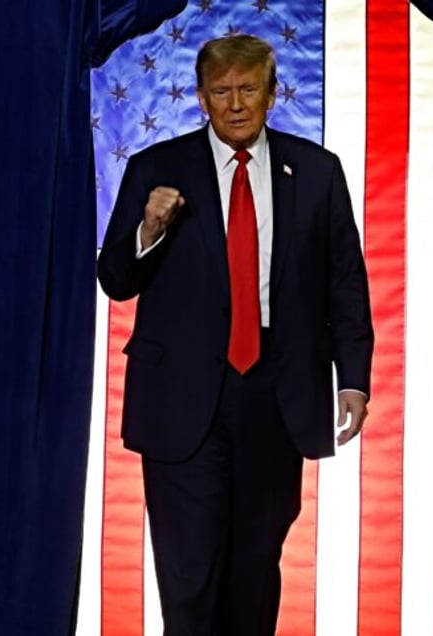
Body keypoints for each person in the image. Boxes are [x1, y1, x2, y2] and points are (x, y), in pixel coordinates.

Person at [97, 34, 373, 635]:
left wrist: (352, 380)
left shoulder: (318, 172)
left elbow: (345, 282)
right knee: (189, 571)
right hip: (183, 396)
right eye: (221, 91)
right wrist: (149, 228)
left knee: (254, 569)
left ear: (273, 94)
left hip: (276, 393)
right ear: (201, 98)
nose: (236, 103)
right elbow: (116, 280)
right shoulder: (156, 169)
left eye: (249, 89)